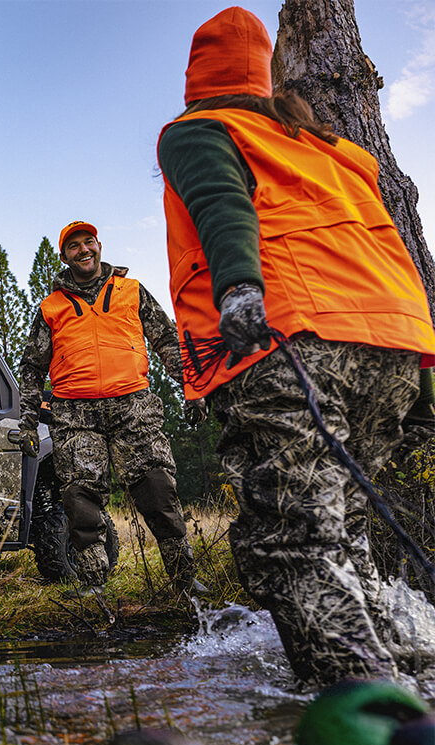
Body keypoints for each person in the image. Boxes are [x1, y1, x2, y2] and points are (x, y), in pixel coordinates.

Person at [157, 7, 435, 686]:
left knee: (293, 538)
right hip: (391, 351)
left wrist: (238, 290)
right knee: (342, 530)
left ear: (196, 78)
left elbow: (222, 203)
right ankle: (415, 676)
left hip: (289, 342)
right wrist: (425, 383)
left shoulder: (198, 131)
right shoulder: (334, 151)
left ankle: (365, 704)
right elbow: (388, 253)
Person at [19, 221, 207, 593]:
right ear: (64, 257)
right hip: (74, 415)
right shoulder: (51, 307)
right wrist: (27, 422)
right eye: (74, 246)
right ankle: (93, 585)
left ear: (99, 246)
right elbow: (32, 367)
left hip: (133, 407)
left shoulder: (131, 291)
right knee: (80, 499)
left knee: (157, 488)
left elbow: (167, 340)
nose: (83, 250)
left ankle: (185, 581)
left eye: (88, 242)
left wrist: (192, 387)